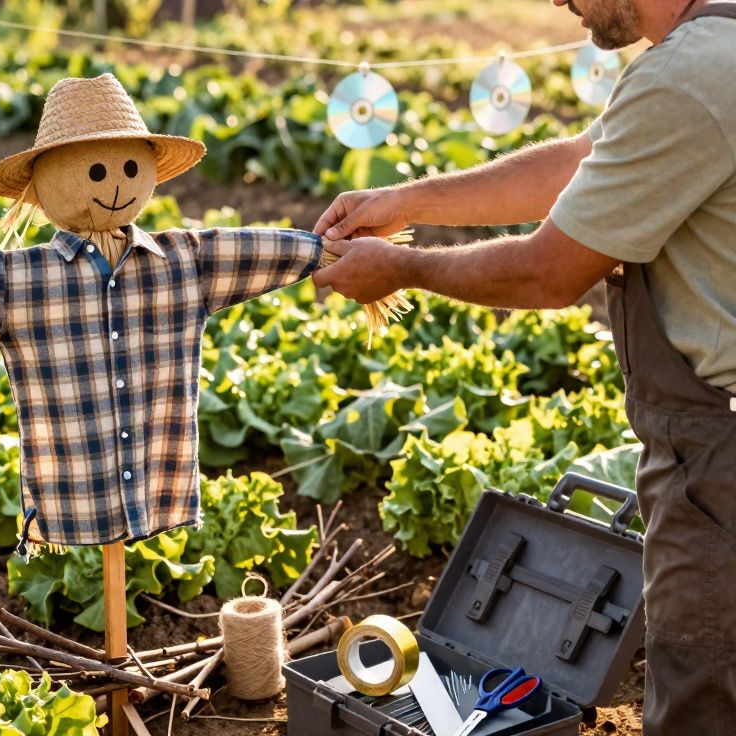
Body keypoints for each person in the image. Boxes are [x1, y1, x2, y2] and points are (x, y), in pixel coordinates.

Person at [312, 0, 736, 731]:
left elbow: (546, 273)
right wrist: (404, 199)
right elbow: (581, 163)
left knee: (704, 698)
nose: (558, 2)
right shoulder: (709, 52)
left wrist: (402, 268)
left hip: (719, 459)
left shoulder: (689, 75)